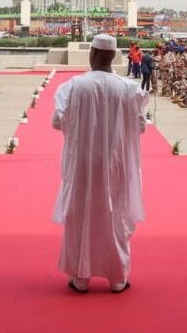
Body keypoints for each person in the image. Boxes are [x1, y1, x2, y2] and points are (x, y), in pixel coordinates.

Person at [52, 34, 148, 294]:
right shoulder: (128, 89)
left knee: (81, 214)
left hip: (83, 164)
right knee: (115, 216)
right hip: (116, 164)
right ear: (114, 56)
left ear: (92, 53)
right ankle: (117, 278)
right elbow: (141, 126)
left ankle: (80, 278)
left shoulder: (73, 86)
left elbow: (57, 121)